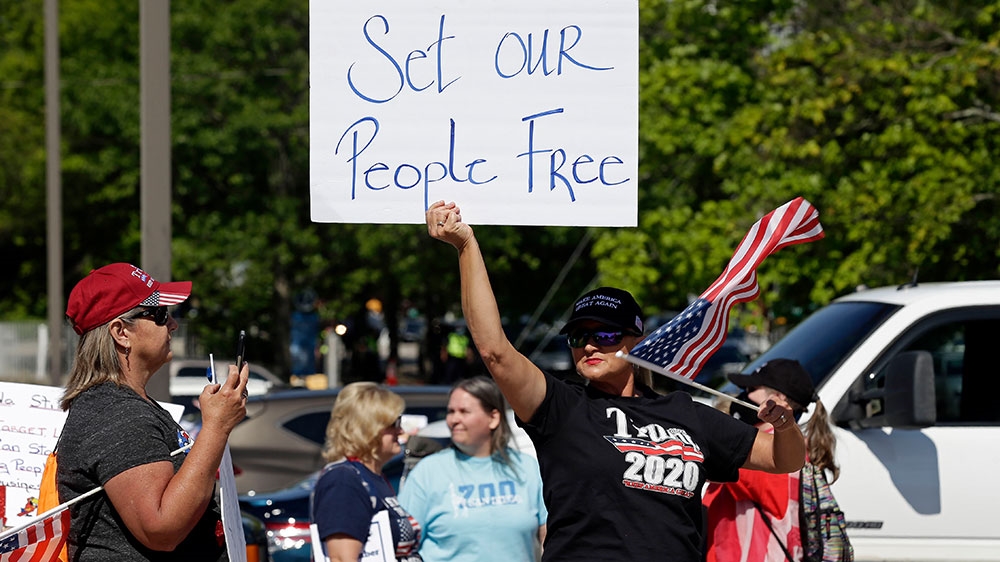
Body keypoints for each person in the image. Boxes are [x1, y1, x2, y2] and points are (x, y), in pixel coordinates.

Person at [425, 200, 806, 562]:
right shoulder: (561, 407)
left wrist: (784, 425)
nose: (590, 345)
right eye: (578, 337)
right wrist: (466, 244)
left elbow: (784, 459)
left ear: (636, 341)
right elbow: (494, 350)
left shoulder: (687, 414)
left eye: (605, 335)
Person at [58, 262, 250, 561]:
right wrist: (216, 427)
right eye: (160, 314)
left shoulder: (124, 405)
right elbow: (161, 529)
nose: (173, 324)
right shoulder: (116, 414)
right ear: (121, 332)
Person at [398, 376, 547, 562]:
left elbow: (548, 536)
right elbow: (402, 545)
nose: (454, 419)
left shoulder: (526, 467)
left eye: (464, 411)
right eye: (451, 411)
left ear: (493, 418)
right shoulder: (427, 473)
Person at [703, 359, 838, 562]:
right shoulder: (795, 447)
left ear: (778, 400)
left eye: (752, 388)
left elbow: (710, 457)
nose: (743, 395)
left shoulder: (770, 451)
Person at [310, 382, 423, 562]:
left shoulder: (372, 476)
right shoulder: (343, 480)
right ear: (369, 427)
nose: (400, 430)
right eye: (394, 423)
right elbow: (341, 558)